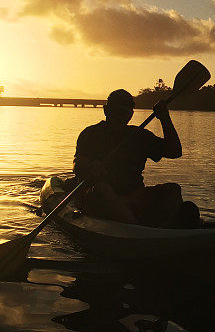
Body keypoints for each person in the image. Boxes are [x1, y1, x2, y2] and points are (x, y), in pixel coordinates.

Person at [72, 89, 199, 228]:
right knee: (102, 189)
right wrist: (90, 165)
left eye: (124, 112)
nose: (120, 116)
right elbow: (78, 164)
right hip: (98, 198)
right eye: (116, 111)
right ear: (106, 110)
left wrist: (164, 117)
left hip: (134, 196)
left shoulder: (140, 136)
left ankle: (168, 225)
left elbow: (174, 152)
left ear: (131, 114)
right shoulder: (90, 134)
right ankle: (137, 227)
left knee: (172, 189)